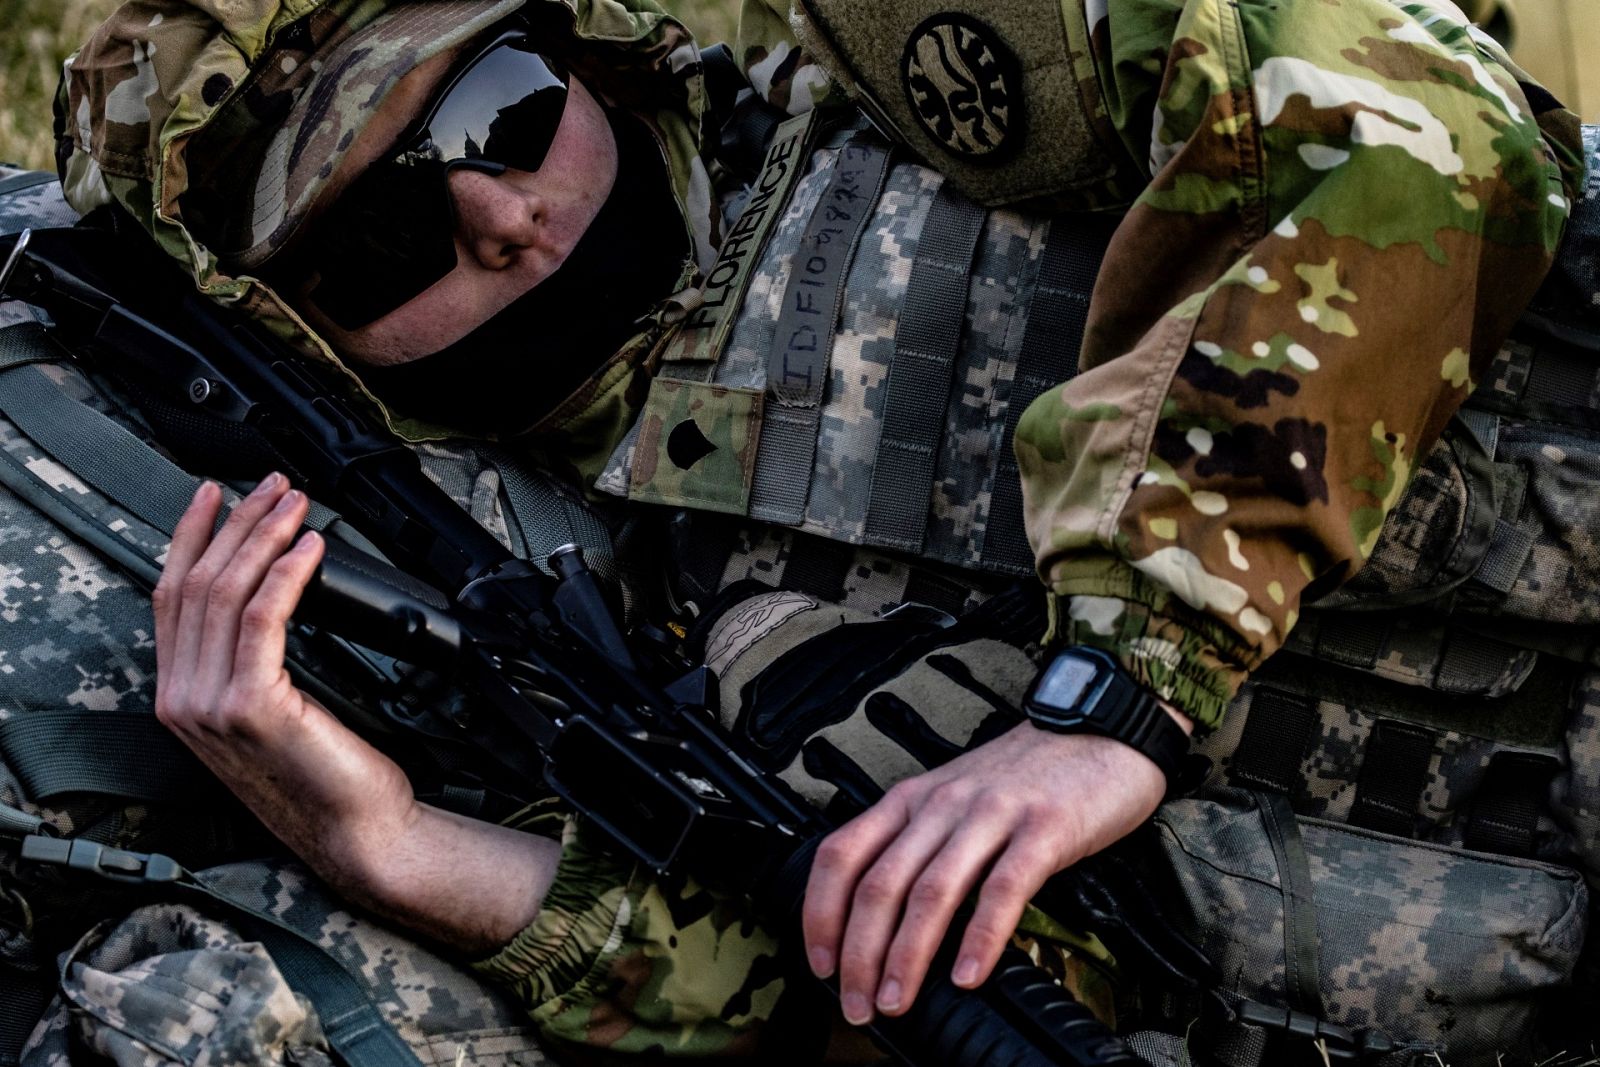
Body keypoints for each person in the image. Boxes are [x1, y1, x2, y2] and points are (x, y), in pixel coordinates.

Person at [39, 0, 1596, 1060]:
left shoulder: (928, 99)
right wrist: (386, 843)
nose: (503, 221)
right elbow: (840, 982)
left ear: (579, 49)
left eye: (501, 117)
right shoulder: (618, 621)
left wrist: (1128, 686)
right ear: (310, 334)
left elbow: (1413, 117)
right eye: (383, 243)